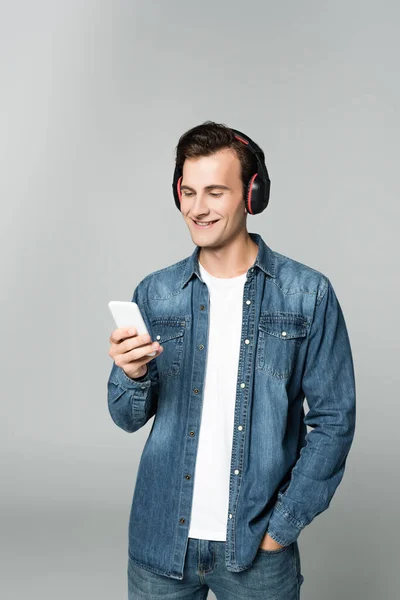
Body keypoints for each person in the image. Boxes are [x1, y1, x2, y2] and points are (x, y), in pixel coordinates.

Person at [107, 121, 356, 599]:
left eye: (216, 192)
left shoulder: (307, 293)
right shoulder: (155, 294)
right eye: (188, 191)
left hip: (256, 551)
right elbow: (124, 417)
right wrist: (131, 373)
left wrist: (281, 529)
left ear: (251, 194)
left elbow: (334, 422)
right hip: (161, 543)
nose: (198, 208)